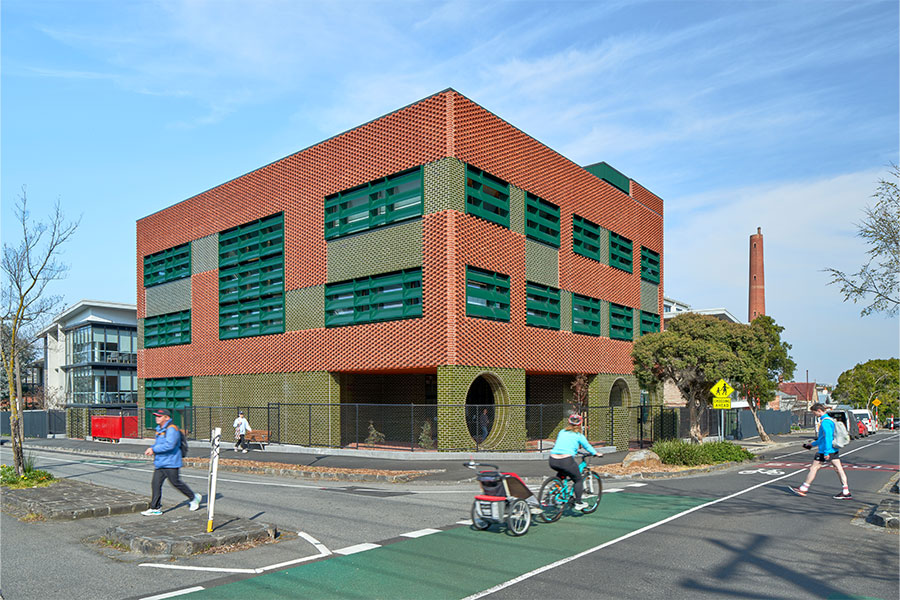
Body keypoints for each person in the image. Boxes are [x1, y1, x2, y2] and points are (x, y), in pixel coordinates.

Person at [142, 409, 202, 516]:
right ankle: (155, 508)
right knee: (155, 484)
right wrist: (152, 448)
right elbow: (159, 443)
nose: (157, 418)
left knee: (176, 482)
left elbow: (170, 445)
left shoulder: (172, 429)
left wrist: (153, 449)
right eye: (156, 416)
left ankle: (193, 497)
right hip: (161, 462)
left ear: (167, 418)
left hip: (171, 462)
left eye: (159, 416)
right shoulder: (160, 429)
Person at [790, 403, 852, 499]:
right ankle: (845, 491)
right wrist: (812, 444)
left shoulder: (825, 422)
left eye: (814, 412)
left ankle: (804, 488)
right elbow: (822, 439)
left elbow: (828, 437)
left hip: (825, 450)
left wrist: (826, 452)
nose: (814, 414)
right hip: (833, 449)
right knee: (839, 469)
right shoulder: (830, 420)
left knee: (814, 468)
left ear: (819, 411)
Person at [548, 413, 598, 510]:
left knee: (562, 472)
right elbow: (587, 446)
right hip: (566, 460)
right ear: (580, 424)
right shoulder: (578, 435)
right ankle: (578, 502)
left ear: (569, 422)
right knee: (578, 480)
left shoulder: (562, 432)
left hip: (553, 460)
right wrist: (596, 453)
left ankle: (555, 489)